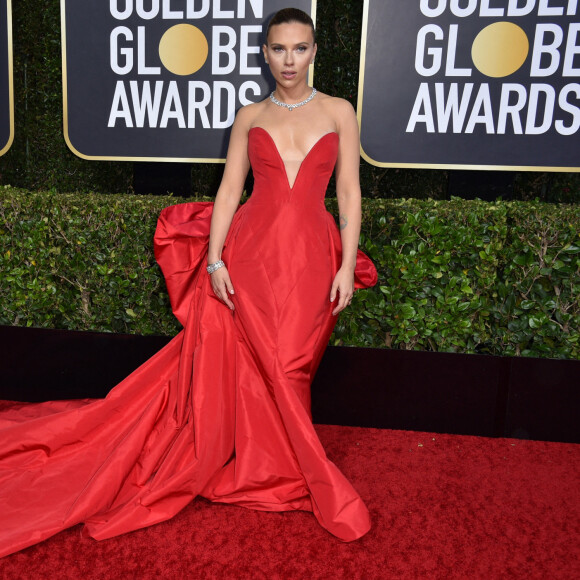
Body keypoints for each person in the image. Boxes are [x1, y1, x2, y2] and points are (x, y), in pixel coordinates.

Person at [0, 8, 377, 558]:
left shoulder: (340, 111)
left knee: (290, 364)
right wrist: (216, 261)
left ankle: (277, 465)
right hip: (249, 256)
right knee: (258, 364)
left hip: (311, 257)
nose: (289, 60)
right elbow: (229, 192)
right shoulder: (250, 116)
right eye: (278, 49)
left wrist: (345, 264)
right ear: (265, 52)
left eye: (299, 49)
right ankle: (300, 473)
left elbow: (348, 193)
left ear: (315, 51)